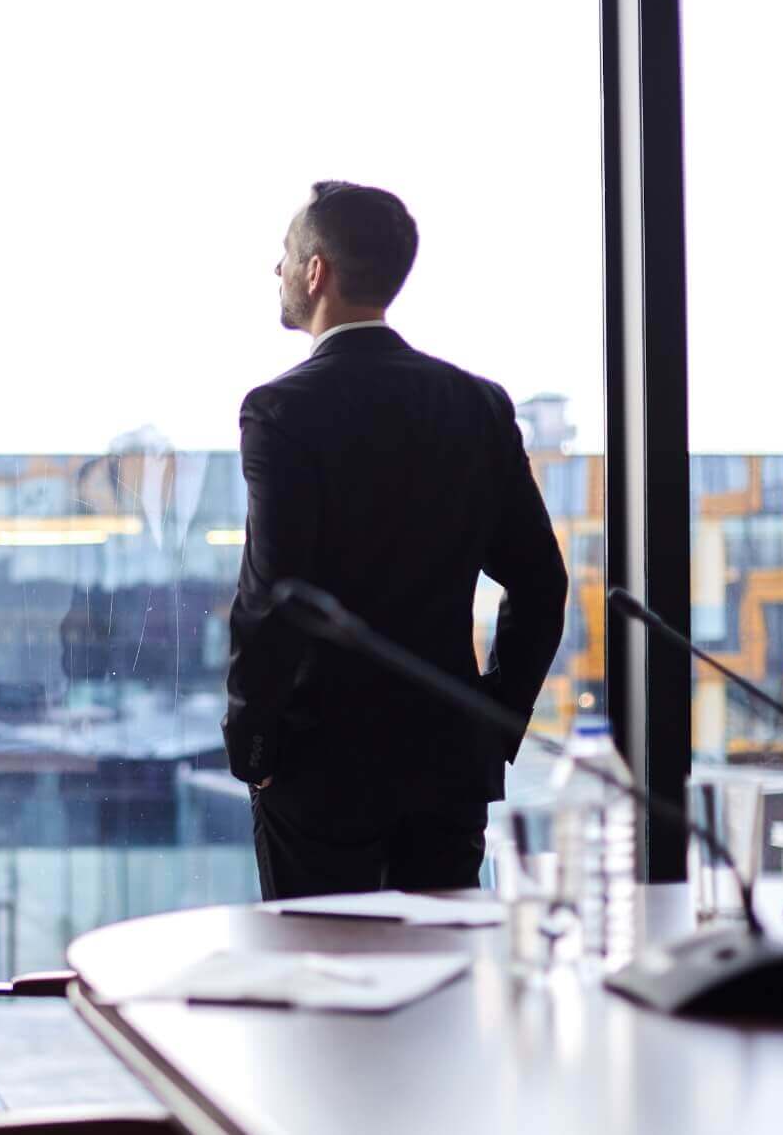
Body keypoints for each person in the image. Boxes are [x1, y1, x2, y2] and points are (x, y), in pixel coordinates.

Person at [223, 181, 568, 899]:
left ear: (316, 271)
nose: (277, 271)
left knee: (322, 980)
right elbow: (541, 583)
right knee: (442, 986)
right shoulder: (477, 403)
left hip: (320, 769)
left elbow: (273, 600)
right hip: (447, 766)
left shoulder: (282, 409)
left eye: (286, 257)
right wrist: (492, 721)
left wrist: (251, 744)